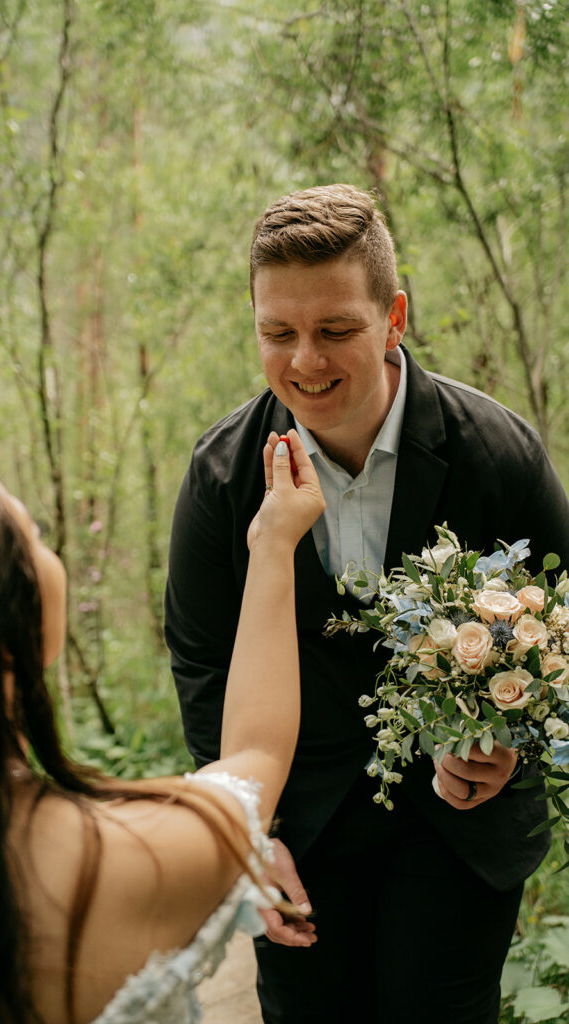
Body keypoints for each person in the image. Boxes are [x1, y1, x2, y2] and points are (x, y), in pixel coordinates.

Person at [165, 183, 569, 1024]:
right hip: (299, 835)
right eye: (277, 334)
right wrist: (250, 831)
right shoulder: (219, 478)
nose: (304, 362)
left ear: (394, 316)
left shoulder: (496, 453)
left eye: (335, 330)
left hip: (459, 834)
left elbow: (561, 634)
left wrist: (507, 753)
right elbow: (202, 662)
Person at [0, 435, 324, 1024]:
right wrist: (274, 543)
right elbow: (256, 751)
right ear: (5, 625)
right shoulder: (132, 857)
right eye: (31, 533)